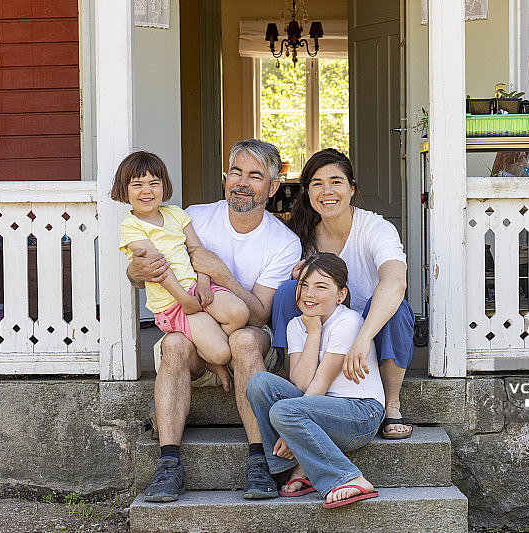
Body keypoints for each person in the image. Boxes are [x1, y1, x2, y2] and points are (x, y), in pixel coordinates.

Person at [127, 140, 302, 502]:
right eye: (236, 172)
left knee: (244, 340)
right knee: (174, 343)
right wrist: (135, 270)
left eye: (255, 176)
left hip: (245, 335)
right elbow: (144, 271)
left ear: (272, 187)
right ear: (226, 178)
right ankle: (169, 462)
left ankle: (261, 459)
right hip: (192, 332)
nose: (242, 182)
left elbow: (260, 314)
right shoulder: (195, 217)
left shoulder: (283, 242)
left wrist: (222, 273)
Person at [271, 148, 415, 439]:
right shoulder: (299, 234)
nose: (327, 191)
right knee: (289, 290)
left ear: (352, 189)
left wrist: (362, 338)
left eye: (336, 181)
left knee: (397, 307)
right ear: (307, 192)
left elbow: (396, 282)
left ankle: (391, 405)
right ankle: (297, 388)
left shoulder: (375, 228)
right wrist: (296, 275)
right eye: (317, 183)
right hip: (320, 331)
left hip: (369, 331)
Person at [246, 253, 385, 508]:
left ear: (340, 295)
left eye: (321, 287)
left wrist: (289, 433)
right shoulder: (296, 326)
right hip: (318, 410)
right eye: (304, 285)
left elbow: (319, 383)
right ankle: (291, 465)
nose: (309, 294)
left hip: (359, 413)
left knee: (284, 411)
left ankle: (348, 477)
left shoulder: (348, 321)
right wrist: (314, 331)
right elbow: (300, 382)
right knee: (259, 383)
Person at [112, 151, 250, 370]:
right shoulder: (131, 226)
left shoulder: (176, 214)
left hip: (197, 287)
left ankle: (203, 338)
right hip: (173, 302)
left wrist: (204, 284)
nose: (146, 191)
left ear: (164, 186)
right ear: (123, 189)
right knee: (222, 353)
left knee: (240, 313)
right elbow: (157, 269)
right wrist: (185, 300)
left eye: (154, 183)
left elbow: (197, 251)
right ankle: (211, 356)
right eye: (137, 185)